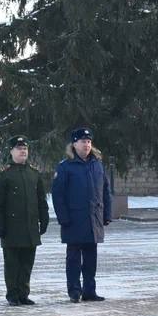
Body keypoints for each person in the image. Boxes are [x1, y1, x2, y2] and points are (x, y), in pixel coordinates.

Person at [51, 127, 113, 302]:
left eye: (89, 141)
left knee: (91, 259)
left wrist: (107, 214)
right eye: (83, 141)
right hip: (74, 220)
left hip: (94, 219)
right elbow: (58, 195)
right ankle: (74, 291)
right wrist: (63, 218)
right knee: (73, 260)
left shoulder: (97, 164)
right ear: (74, 144)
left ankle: (89, 291)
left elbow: (105, 191)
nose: (86, 145)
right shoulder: (66, 166)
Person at [0, 136, 49, 305]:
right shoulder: (4, 174)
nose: (23, 151)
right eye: (19, 148)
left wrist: (44, 219)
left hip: (30, 226)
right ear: (11, 151)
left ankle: (24, 293)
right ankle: (12, 294)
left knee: (27, 262)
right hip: (11, 227)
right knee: (12, 263)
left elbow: (41, 200)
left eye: (25, 148)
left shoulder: (34, 173)